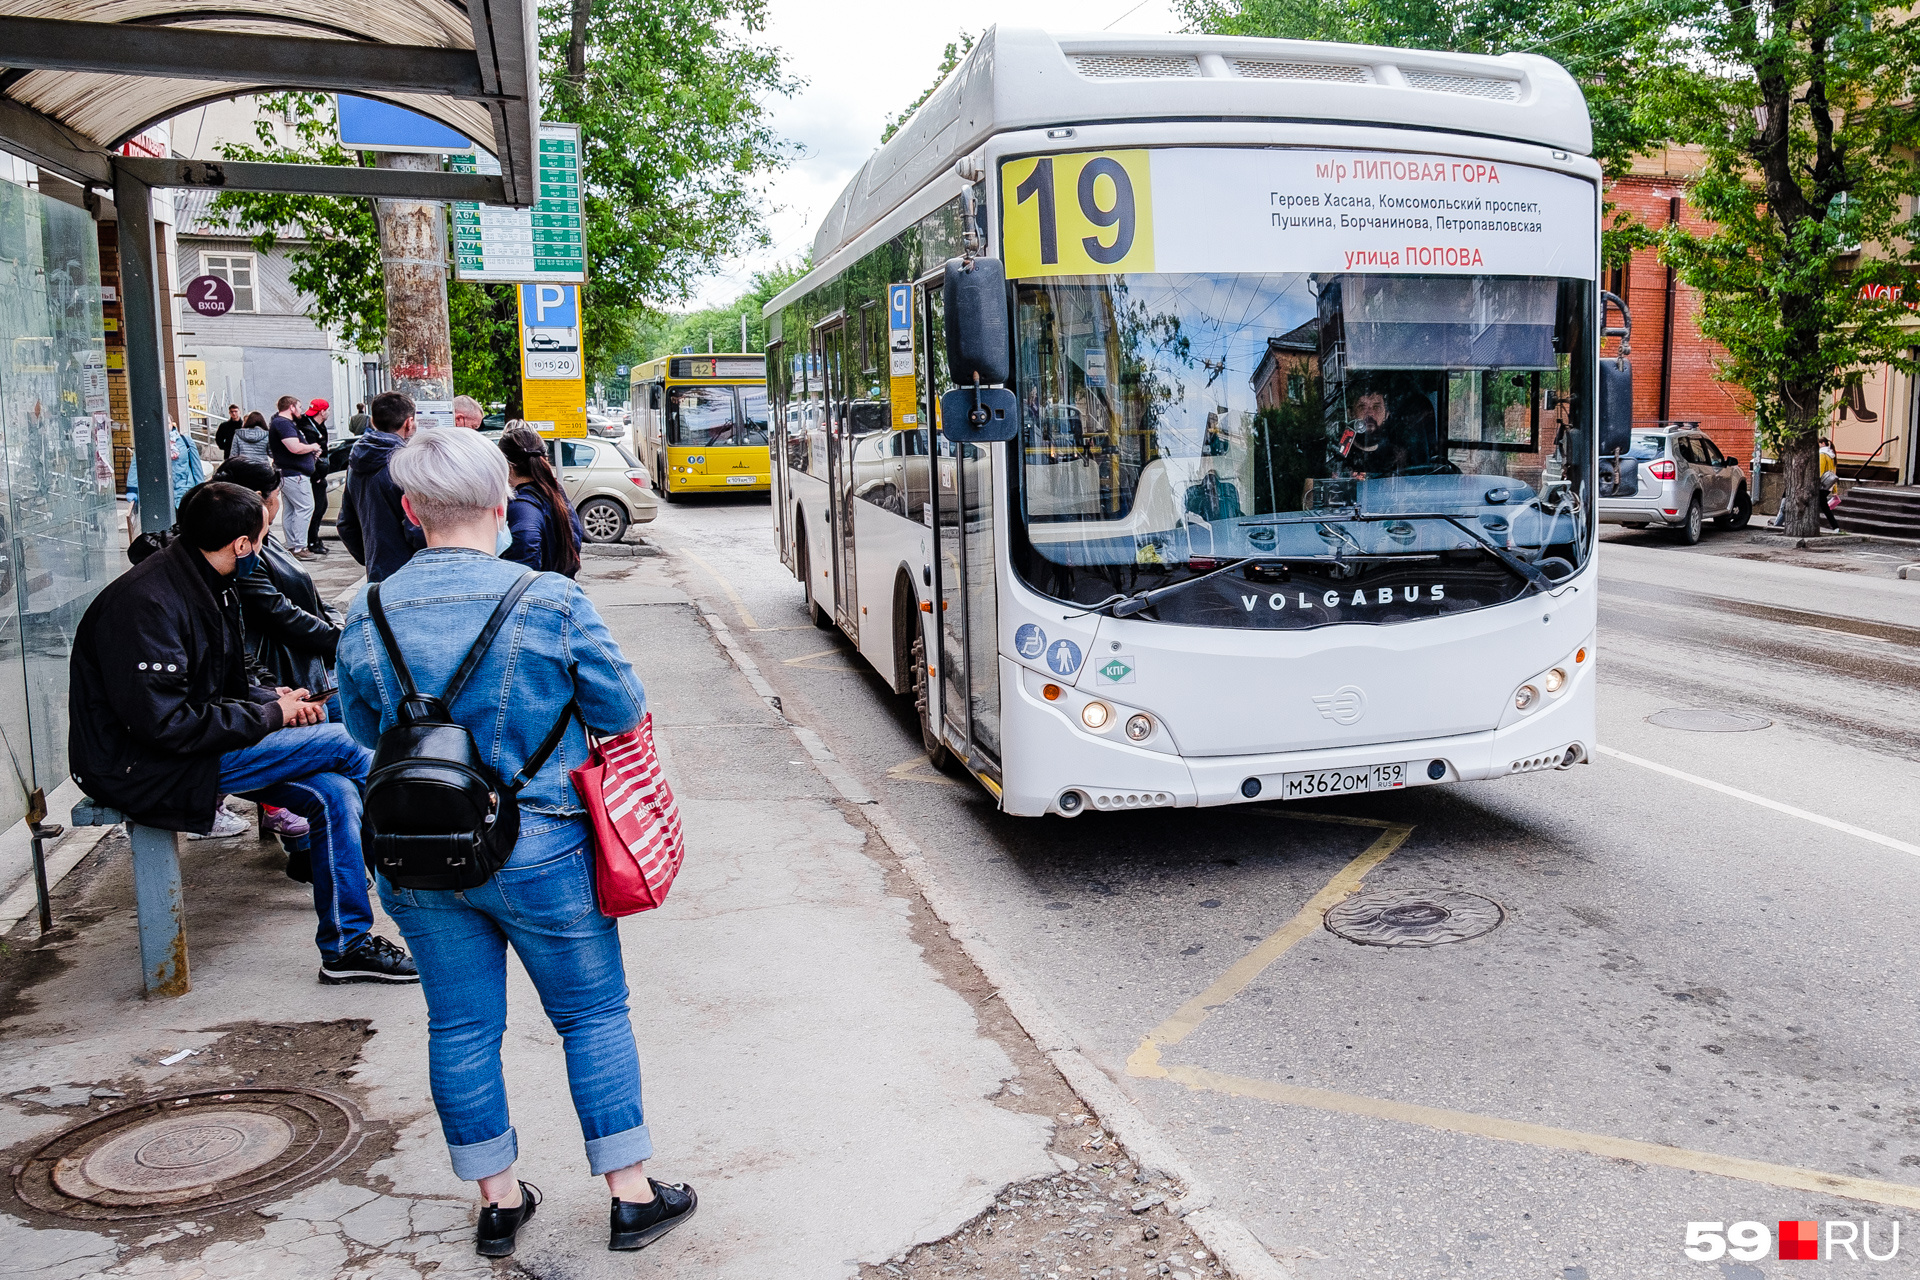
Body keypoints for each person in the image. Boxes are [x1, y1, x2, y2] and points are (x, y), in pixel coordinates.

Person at [337, 428, 694, 1258]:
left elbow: (361, 731)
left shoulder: (369, 608)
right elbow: (619, 712)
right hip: (544, 849)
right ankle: (631, 1196)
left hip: (418, 852)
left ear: (409, 509)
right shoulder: (549, 602)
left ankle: (498, 1203)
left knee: (459, 1027)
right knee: (592, 1014)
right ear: (502, 504)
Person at [69, 481, 417, 985]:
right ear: (241, 545)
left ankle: (347, 945)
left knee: (336, 790)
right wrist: (270, 718)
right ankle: (424, 859)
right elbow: (166, 725)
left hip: (197, 747)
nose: (265, 544)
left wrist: (278, 702)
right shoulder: (147, 603)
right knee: (347, 743)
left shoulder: (205, 581)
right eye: (263, 535)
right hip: (147, 765)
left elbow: (226, 684)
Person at [338, 391, 427, 582]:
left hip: (377, 571)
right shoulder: (404, 464)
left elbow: (346, 524)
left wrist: (371, 556)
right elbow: (416, 526)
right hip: (411, 571)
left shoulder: (356, 463)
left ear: (373, 422)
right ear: (409, 422)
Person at [498, 424, 584, 577]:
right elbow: (575, 538)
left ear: (507, 465)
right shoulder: (553, 491)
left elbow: (526, 542)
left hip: (538, 593)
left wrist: (515, 582)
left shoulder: (523, 505)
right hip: (559, 585)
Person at [269, 394, 321, 559]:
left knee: (291, 510)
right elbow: (294, 448)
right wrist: (312, 446)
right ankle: (299, 547)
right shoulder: (283, 424)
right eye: (299, 407)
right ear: (291, 407)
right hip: (295, 474)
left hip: (288, 473)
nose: (301, 410)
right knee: (305, 507)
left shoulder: (280, 423)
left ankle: (293, 545)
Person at [300, 398, 332, 557]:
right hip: (314, 474)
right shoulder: (309, 429)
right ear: (322, 412)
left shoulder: (315, 426)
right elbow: (310, 455)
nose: (328, 413)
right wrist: (317, 475)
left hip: (318, 472)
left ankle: (313, 538)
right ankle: (311, 540)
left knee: (321, 506)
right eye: (327, 410)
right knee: (316, 507)